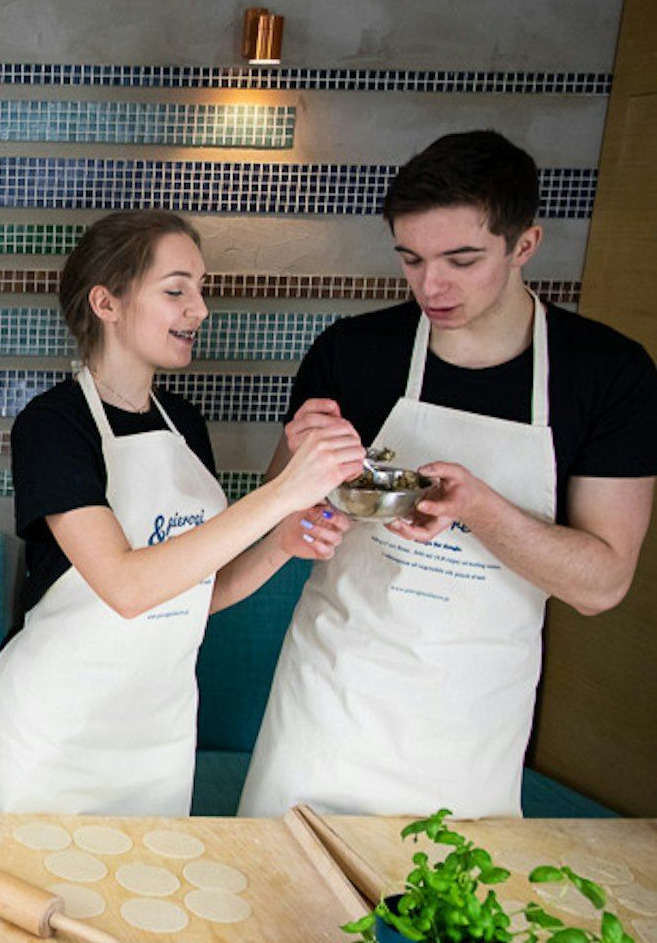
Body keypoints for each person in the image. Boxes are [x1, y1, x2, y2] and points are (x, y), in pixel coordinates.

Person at [239, 130, 657, 820]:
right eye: (412, 259)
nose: (431, 286)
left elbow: (602, 584)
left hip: (472, 728)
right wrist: (301, 491)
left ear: (525, 244)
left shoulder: (607, 375)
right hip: (330, 704)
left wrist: (481, 509)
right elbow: (278, 521)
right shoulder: (354, 353)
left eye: (462, 260)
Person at [0, 210, 364, 816]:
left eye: (200, 290)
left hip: (158, 736)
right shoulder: (53, 425)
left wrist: (283, 543)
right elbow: (125, 586)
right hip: (56, 734)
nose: (199, 310)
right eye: (176, 290)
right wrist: (281, 493)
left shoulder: (186, 425)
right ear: (108, 303)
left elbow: (199, 590)